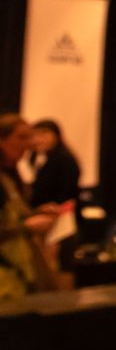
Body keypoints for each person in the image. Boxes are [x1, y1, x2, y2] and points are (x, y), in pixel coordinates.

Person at [1, 112, 54, 299]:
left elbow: (13, 216)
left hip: (19, 274)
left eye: (29, 137)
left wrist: (36, 212)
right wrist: (27, 226)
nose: (29, 144)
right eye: (21, 137)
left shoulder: (11, 177)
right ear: (2, 140)